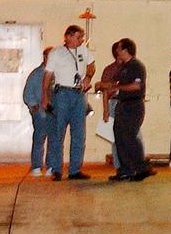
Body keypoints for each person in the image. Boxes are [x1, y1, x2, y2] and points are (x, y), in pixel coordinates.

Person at [41, 24, 96, 181]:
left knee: (79, 133)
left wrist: (88, 77)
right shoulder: (56, 53)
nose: (81, 40)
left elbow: (92, 65)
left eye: (82, 37)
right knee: (58, 132)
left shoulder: (83, 50)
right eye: (78, 37)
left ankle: (74, 170)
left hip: (79, 95)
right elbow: (47, 75)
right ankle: (56, 169)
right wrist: (45, 96)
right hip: (62, 94)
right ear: (68, 37)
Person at [106, 38, 152, 182]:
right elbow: (118, 84)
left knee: (130, 137)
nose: (117, 51)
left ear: (126, 50)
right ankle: (125, 170)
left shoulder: (136, 66)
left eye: (119, 48)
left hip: (133, 106)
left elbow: (136, 86)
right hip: (122, 105)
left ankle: (141, 168)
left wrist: (117, 87)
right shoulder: (124, 67)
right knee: (120, 138)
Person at [23, 47, 54, 177]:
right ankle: (36, 166)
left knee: (54, 139)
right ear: (45, 57)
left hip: (53, 111)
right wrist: (34, 106)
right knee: (39, 138)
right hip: (41, 111)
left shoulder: (56, 73)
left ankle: (51, 166)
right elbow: (27, 93)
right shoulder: (36, 74)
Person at [95, 40, 124, 171]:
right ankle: (119, 166)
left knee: (131, 135)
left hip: (128, 103)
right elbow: (104, 90)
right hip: (115, 102)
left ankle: (129, 164)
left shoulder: (130, 67)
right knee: (116, 137)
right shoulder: (110, 69)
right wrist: (105, 111)